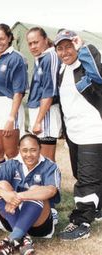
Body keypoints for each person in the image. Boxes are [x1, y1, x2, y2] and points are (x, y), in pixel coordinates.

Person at [54, 30, 102, 240]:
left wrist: (83, 47)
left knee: (87, 179)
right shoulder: (62, 70)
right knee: (82, 174)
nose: (65, 52)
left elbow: (99, 76)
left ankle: (81, 221)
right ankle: (98, 208)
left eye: (69, 46)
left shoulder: (87, 64)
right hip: (74, 133)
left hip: (92, 130)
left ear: (76, 46)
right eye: (60, 48)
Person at [0, 134, 61, 255]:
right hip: (10, 218)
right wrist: (4, 194)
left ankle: (11, 240)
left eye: (33, 150)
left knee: (36, 189)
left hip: (39, 224)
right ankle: (24, 239)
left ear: (40, 149)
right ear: (19, 149)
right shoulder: (11, 164)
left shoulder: (50, 166)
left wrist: (20, 196)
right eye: (25, 150)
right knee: (2, 184)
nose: (29, 154)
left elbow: (51, 191)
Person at [0, 23, 28, 174]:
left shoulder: (16, 58)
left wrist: (11, 118)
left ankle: (17, 185)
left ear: (9, 38)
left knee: (11, 153)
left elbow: (19, 92)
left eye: (2, 39)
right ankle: (0, 185)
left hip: (10, 105)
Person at [26, 27, 62, 161]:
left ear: (45, 40)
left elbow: (49, 92)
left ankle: (51, 183)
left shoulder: (51, 57)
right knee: (40, 159)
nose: (33, 46)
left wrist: (38, 121)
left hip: (46, 114)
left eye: (36, 42)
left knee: (47, 160)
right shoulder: (40, 58)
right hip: (37, 112)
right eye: (30, 44)